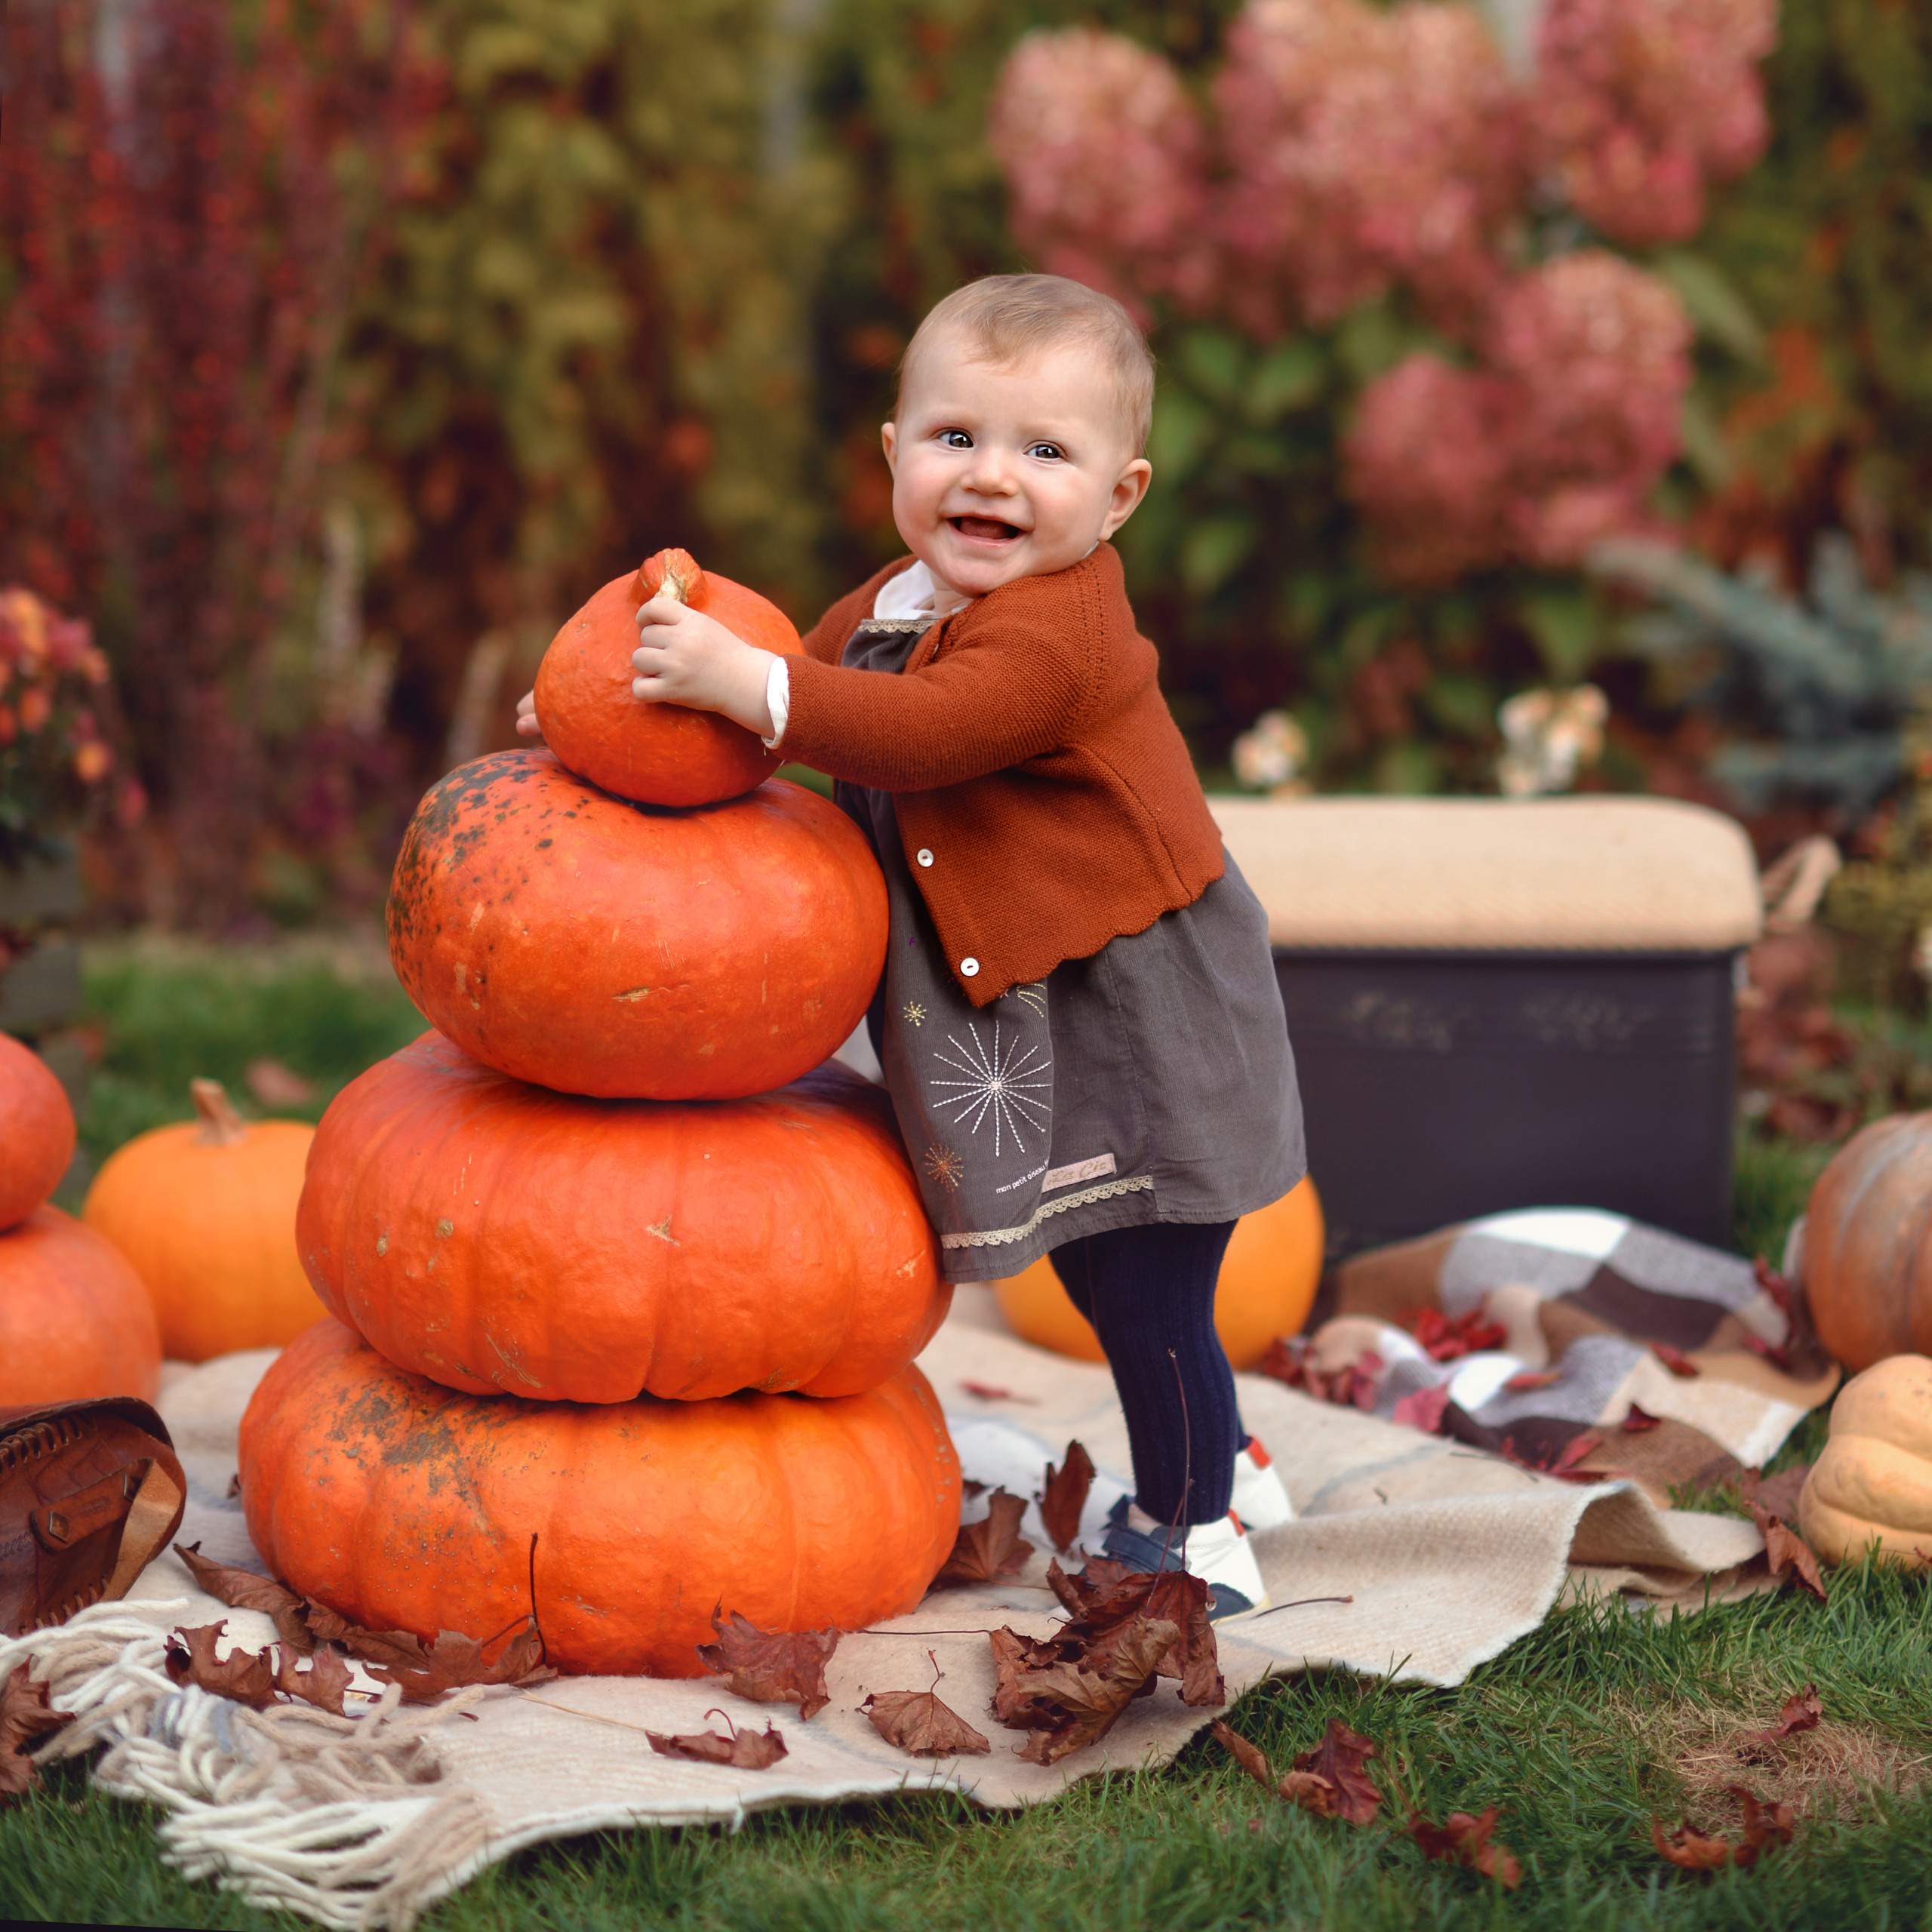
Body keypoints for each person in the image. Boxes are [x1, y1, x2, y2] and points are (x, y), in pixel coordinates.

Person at [518, 274, 1304, 1617]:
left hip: (1139, 1014)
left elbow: (911, 732)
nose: (992, 476)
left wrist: (748, 686)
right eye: (955, 437)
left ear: (1120, 497)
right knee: (1100, 1259)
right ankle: (1230, 1459)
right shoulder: (897, 599)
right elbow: (798, 693)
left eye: (1045, 451)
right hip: (1040, 1013)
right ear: (894, 454)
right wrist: (626, 714)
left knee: (1149, 1275)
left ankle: (1195, 1530)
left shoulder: (1061, 634)